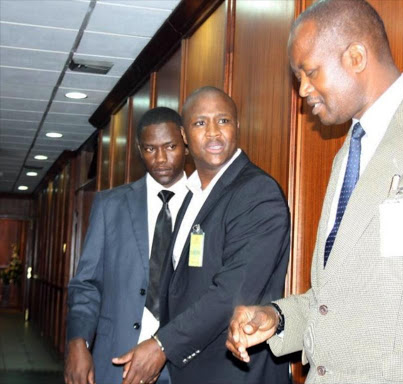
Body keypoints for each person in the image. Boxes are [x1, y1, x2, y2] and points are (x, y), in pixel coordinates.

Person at [226, 1, 403, 383]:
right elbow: (337, 299)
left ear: (357, 56)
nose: (303, 90)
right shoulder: (348, 153)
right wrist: (276, 319)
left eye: (309, 73)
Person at [112, 86, 291, 384]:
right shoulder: (191, 194)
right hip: (190, 370)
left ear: (237, 127)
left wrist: (162, 345)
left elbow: (232, 293)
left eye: (223, 121)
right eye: (200, 123)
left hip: (235, 373)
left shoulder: (257, 192)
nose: (213, 133)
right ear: (184, 135)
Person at [65, 107, 188, 384]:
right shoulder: (111, 205)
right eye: (150, 149)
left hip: (183, 366)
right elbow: (87, 283)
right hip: (116, 360)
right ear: (138, 149)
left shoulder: (205, 205)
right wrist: (78, 341)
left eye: (170, 146)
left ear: (185, 141)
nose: (160, 159)